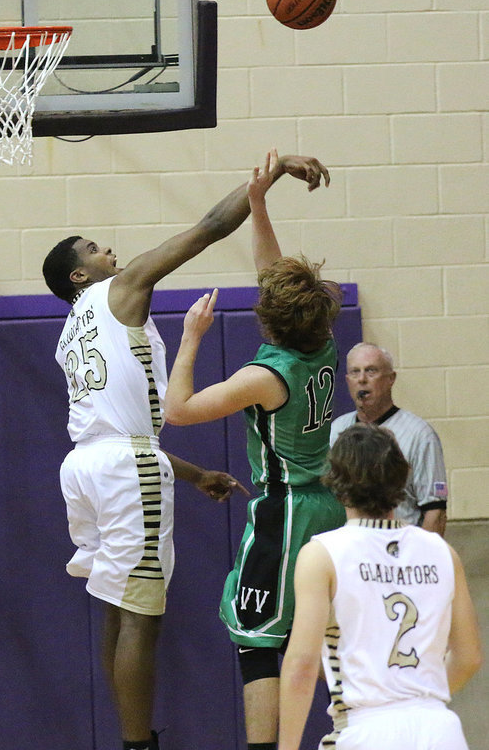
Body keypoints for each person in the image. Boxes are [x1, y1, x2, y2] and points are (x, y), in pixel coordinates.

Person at [41, 149, 323, 750]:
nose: (108, 250)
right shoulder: (122, 289)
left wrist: (194, 475)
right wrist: (263, 181)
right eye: (94, 249)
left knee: (116, 606)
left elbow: (115, 435)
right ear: (79, 276)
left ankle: (131, 739)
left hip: (85, 467)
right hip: (123, 466)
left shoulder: (70, 333)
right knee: (143, 613)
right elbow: (206, 229)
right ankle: (138, 744)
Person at [164, 149, 346, 750]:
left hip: (285, 511)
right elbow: (276, 282)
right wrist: (259, 202)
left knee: (256, 635)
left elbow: (179, 411)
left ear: (267, 321)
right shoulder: (322, 341)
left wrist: (189, 338)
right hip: (326, 505)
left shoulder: (264, 377)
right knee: (319, 632)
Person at [279, 422, 482, 750]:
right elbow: (469, 657)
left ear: (336, 480)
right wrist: (413, 698)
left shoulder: (322, 554)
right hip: (439, 728)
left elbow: (302, 665)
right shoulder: (442, 552)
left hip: (366, 729)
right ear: (401, 476)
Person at [330, 342, 448, 536]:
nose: (362, 379)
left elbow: (435, 511)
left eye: (371, 371)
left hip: (400, 551)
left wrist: (421, 559)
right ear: (347, 380)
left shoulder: (419, 435)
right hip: (351, 551)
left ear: (390, 379)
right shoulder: (337, 430)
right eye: (354, 372)